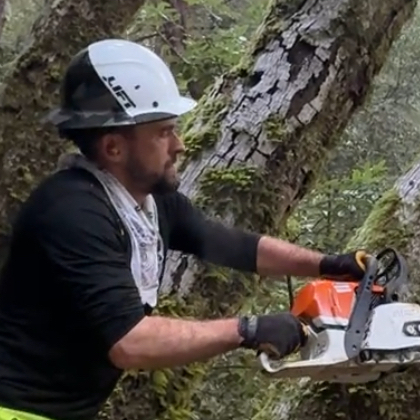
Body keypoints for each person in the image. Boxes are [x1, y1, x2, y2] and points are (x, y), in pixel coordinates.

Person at [0, 39, 368, 420]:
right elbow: (130, 342)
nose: (180, 144)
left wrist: (329, 265)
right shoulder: (71, 212)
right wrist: (248, 329)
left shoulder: (147, 202)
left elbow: (233, 246)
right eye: (163, 132)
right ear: (113, 147)